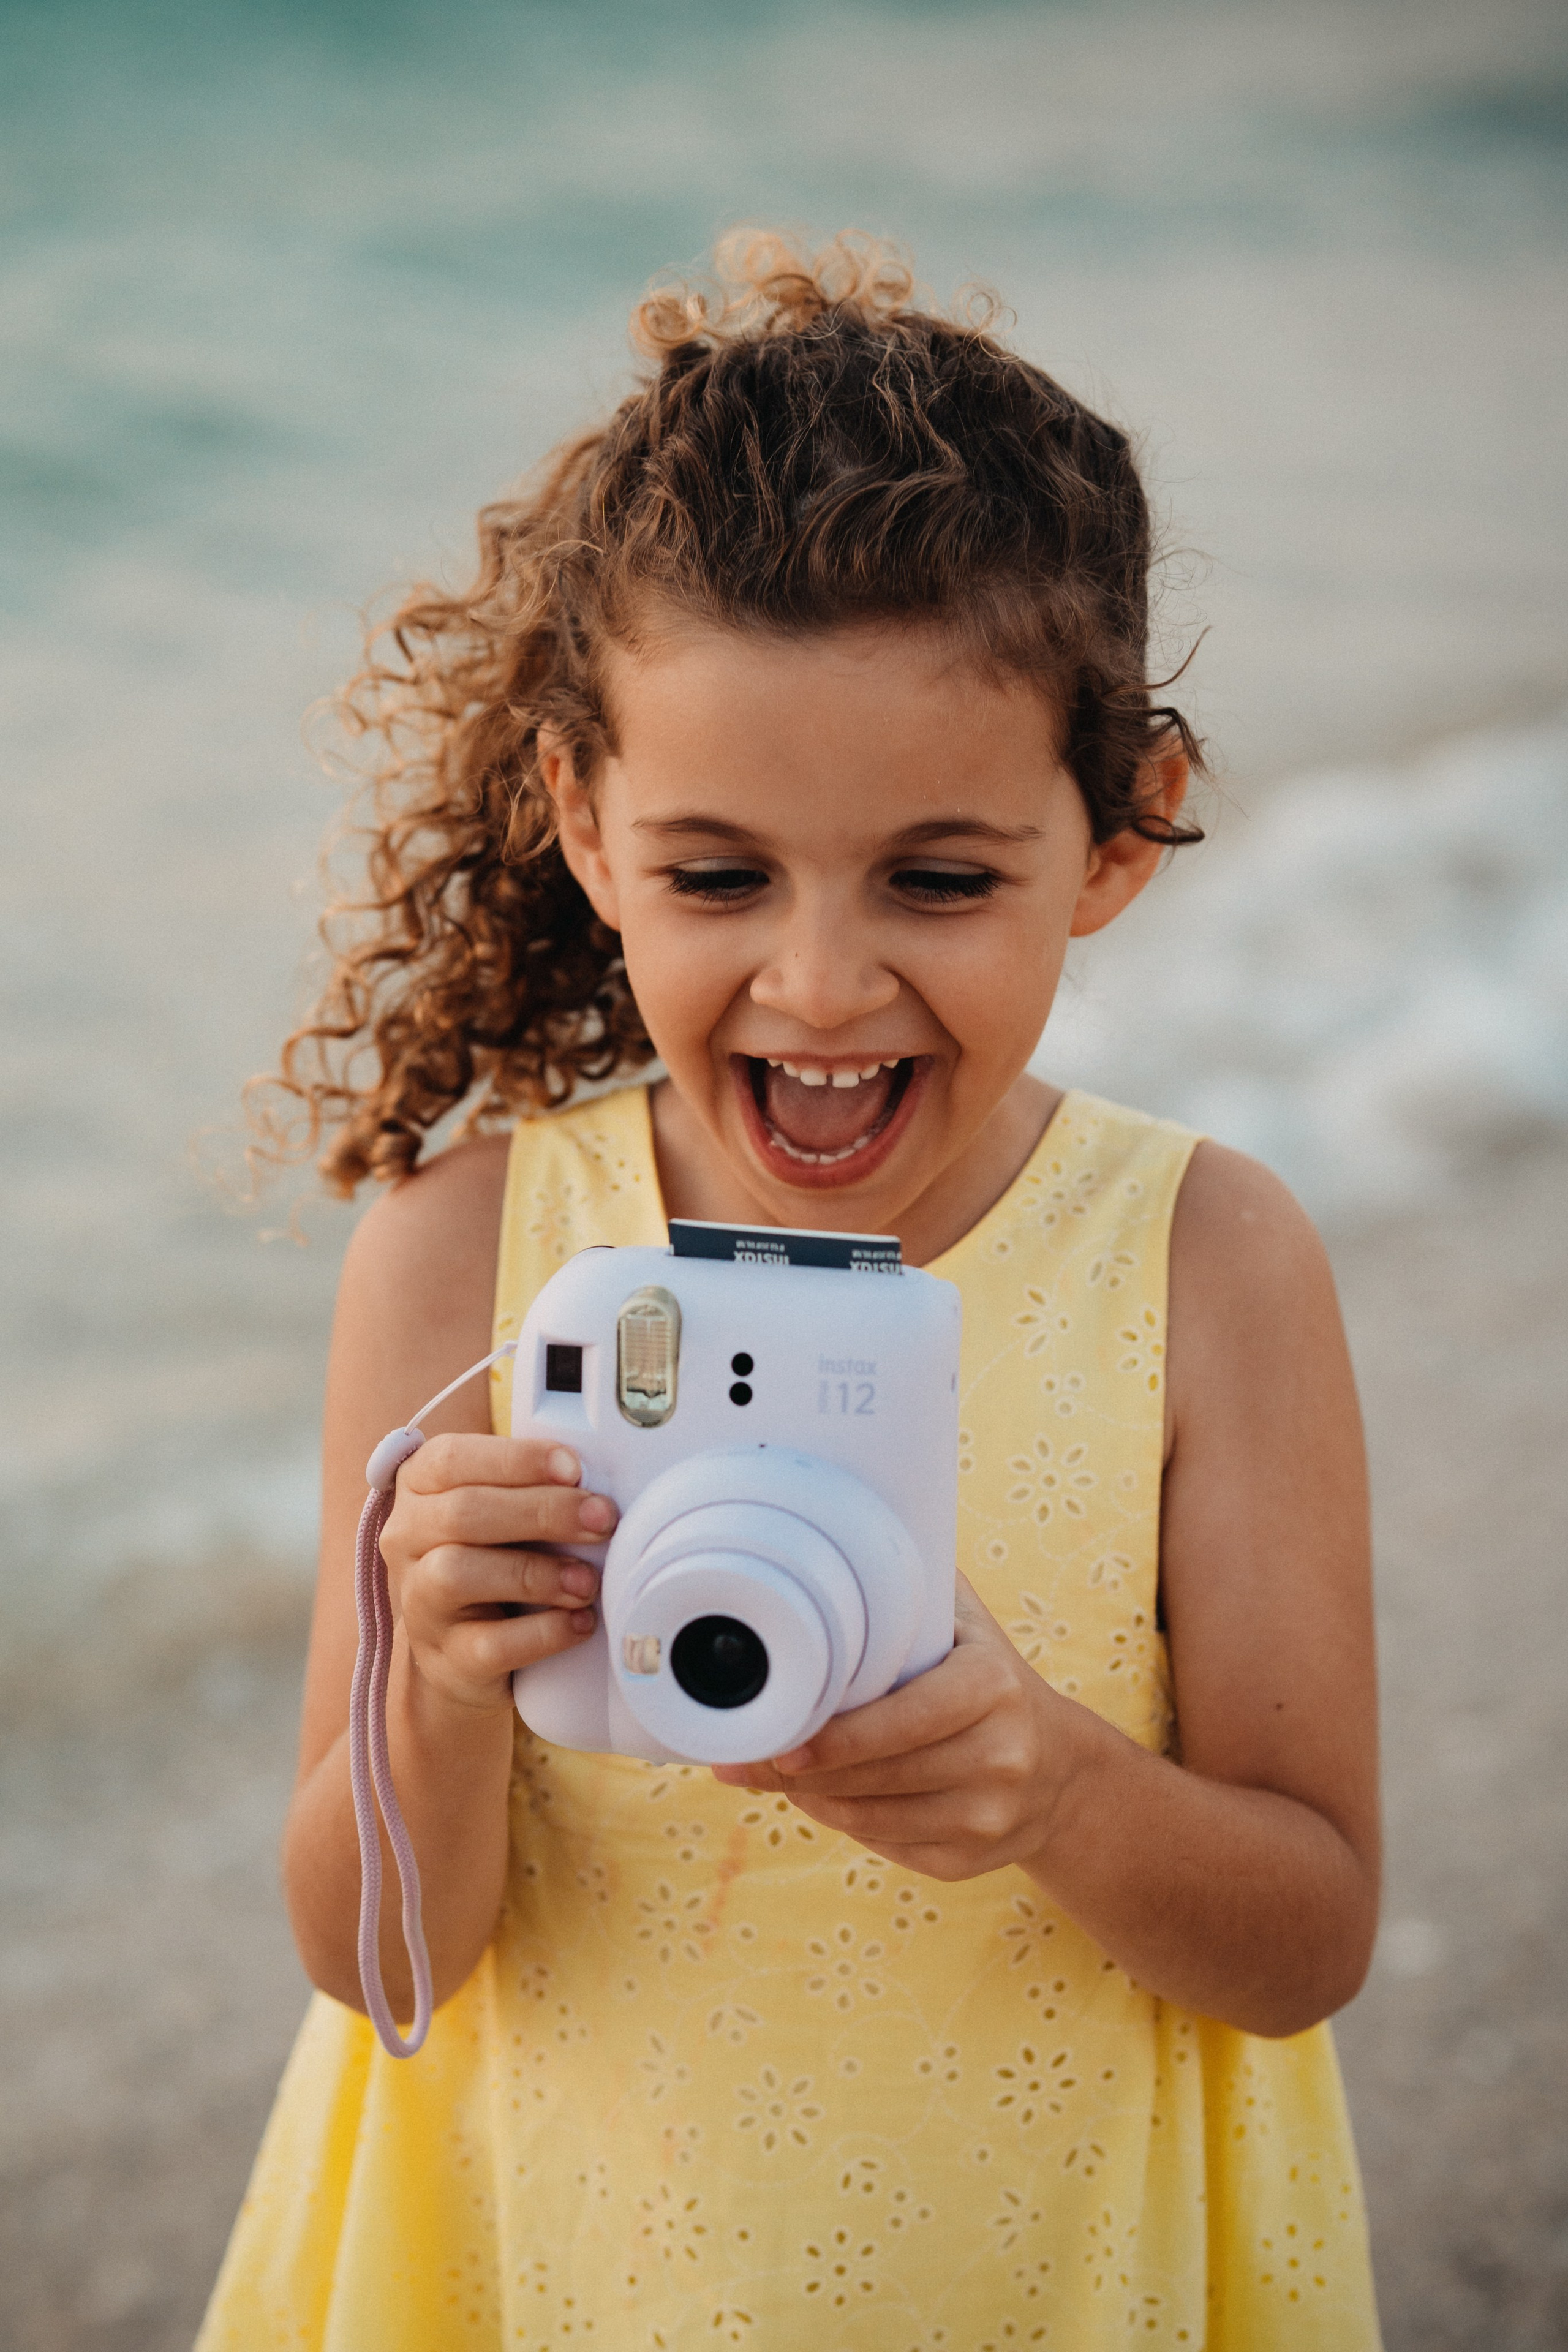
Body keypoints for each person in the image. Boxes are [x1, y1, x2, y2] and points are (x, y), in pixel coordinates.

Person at [200, 232, 1382, 2348]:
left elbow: (1304, 1943)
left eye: (940, 877)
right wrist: (436, 1690)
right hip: (556, 2266)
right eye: (719, 872)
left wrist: (1065, 1785)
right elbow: (376, 1964)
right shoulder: (467, 1262)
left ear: (1122, 834)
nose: (822, 984)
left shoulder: (1211, 1265)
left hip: (1043, 2270)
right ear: (584, 820)